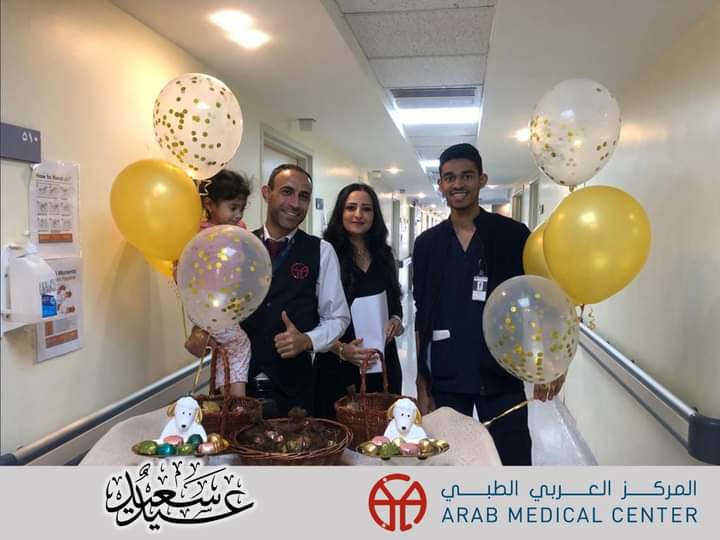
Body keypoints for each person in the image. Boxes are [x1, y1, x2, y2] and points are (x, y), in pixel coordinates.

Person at [412, 143, 563, 466]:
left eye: (467, 176)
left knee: (512, 461)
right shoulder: (427, 245)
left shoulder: (513, 236)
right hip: (447, 377)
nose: (458, 184)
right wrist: (422, 383)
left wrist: (550, 363)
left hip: (501, 375)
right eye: (449, 177)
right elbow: (422, 316)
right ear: (440, 184)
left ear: (482, 180)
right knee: (448, 465)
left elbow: (537, 301)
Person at [241, 164, 350, 416]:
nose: (295, 203)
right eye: (287, 192)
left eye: (304, 196)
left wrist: (307, 340)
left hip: (293, 390)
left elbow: (338, 317)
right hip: (238, 384)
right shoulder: (239, 245)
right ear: (267, 193)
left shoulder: (321, 251)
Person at [313, 184, 405, 419]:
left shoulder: (384, 254)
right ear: (340, 212)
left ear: (375, 215)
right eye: (351, 208)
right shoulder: (326, 254)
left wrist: (396, 320)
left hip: (381, 363)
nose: (358, 215)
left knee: (381, 429)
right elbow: (312, 316)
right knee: (340, 433)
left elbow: (395, 301)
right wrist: (341, 349)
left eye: (366, 209)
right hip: (338, 366)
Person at [183, 169, 252, 398]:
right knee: (240, 344)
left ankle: (226, 399)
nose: (238, 215)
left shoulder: (238, 229)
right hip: (208, 304)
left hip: (226, 303)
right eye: (233, 208)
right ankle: (236, 402)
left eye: (241, 209)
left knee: (227, 347)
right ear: (210, 205)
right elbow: (184, 268)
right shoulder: (199, 233)